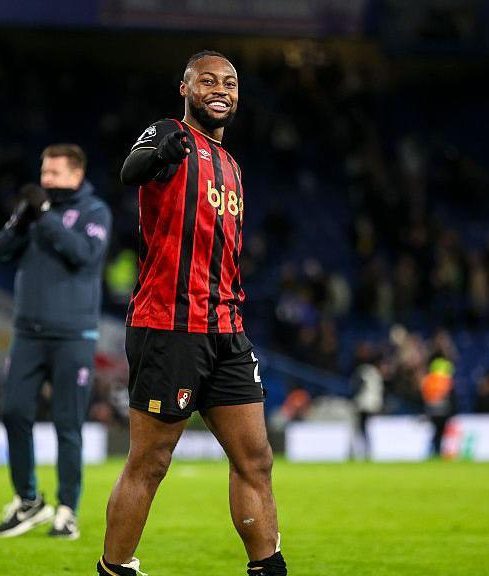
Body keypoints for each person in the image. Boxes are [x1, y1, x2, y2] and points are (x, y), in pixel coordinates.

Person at [97, 51, 287, 576]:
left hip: (227, 328)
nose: (219, 88)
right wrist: (160, 151)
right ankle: (114, 569)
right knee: (151, 462)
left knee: (256, 459)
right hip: (169, 327)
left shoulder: (232, 166)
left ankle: (268, 568)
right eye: (207, 80)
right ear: (185, 86)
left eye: (229, 82)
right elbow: (129, 172)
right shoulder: (169, 135)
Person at [0, 144, 112, 540]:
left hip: (73, 335)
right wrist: (21, 221)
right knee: (14, 412)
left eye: (54, 173)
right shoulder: (34, 214)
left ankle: (67, 510)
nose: (46, 181)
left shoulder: (95, 212)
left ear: (76, 175)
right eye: (44, 172)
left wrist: (43, 216)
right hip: (28, 333)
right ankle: (28, 500)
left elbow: (84, 255)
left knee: (67, 425)